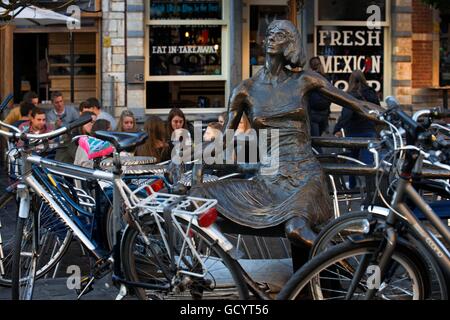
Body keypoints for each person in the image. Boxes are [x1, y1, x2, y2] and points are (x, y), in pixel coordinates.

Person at [189, 20, 383, 271]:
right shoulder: (245, 91)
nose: (271, 38)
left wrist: (390, 118)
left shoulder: (304, 80)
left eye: (279, 34)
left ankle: (356, 275)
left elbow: (356, 105)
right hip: (269, 182)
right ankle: (206, 271)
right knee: (195, 196)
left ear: (290, 43)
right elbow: (225, 141)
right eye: (269, 33)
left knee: (296, 230)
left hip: (305, 178)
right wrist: (197, 162)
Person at [333, 69, 379, 188]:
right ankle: (371, 188)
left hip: (353, 131)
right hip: (369, 130)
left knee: (352, 160)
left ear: (351, 80)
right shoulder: (371, 93)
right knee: (369, 163)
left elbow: (346, 116)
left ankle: (352, 185)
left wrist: (336, 129)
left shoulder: (350, 95)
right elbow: (377, 110)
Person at [307, 57, 332, 138]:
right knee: (319, 140)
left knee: (315, 140)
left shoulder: (309, 78)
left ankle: (318, 151)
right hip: (324, 113)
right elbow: (331, 95)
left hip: (313, 114)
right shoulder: (326, 78)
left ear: (310, 66)